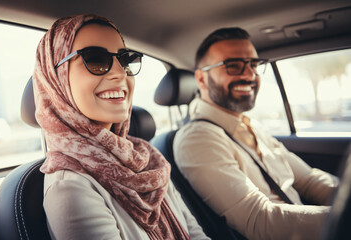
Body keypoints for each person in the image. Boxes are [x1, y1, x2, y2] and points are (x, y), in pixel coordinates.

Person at [32, 14, 209, 240]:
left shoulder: (148, 159)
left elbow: (194, 234)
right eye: (95, 58)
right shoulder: (69, 188)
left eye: (125, 60)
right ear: (56, 80)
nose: (119, 72)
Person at [173, 27, 339, 240]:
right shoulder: (197, 139)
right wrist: (341, 217)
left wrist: (345, 198)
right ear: (202, 79)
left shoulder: (251, 126)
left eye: (253, 64)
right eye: (232, 66)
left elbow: (308, 179)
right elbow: (258, 220)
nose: (249, 74)